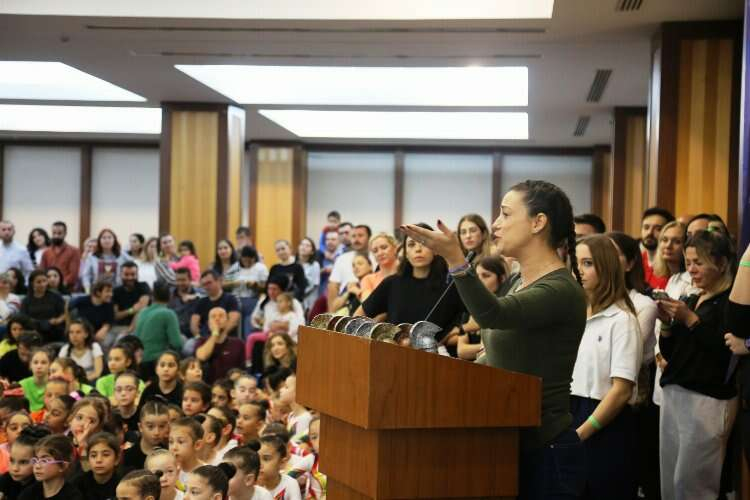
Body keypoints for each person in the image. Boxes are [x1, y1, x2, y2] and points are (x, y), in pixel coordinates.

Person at [401, 179, 587, 499]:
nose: (496, 224)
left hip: (546, 450)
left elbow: (493, 315)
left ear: (538, 223)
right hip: (508, 442)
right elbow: (496, 354)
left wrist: (456, 260)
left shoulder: (559, 289)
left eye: (505, 214)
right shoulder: (518, 281)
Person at [656, 230, 738, 499]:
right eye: (688, 262)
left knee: (692, 483)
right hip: (675, 393)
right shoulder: (691, 298)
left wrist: (690, 320)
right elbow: (672, 352)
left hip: (707, 400)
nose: (691, 269)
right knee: (670, 481)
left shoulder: (731, 303)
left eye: (699, 263)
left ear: (722, 263)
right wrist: (667, 324)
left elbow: (725, 353)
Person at [569, 235, 640, 499]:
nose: (579, 270)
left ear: (606, 267)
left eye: (587, 263)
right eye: (576, 263)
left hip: (605, 421)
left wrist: (582, 433)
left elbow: (621, 391)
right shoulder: (574, 315)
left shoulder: (622, 320)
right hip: (571, 411)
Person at [359, 223, 465, 337]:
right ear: (406, 252)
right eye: (411, 244)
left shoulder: (450, 286)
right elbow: (359, 316)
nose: (418, 249)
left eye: (424, 243)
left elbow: (463, 323)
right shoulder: (392, 283)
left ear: (434, 249)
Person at [455, 255, 508, 361]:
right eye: (477, 276)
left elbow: (500, 349)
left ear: (501, 278)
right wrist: (467, 327)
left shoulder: (504, 307)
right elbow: (461, 351)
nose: (479, 280)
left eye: (486, 275)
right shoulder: (470, 306)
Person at [135, 280, 184, 381]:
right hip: (156, 364)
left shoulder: (142, 312)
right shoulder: (168, 314)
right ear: (170, 296)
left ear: (152, 296)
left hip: (139, 363)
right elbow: (177, 343)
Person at [17, 434, 82, 500]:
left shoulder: (73, 496)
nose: (37, 466)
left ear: (63, 466)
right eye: (35, 460)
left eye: (44, 461)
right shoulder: (28, 493)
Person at [190, 270, 241, 349]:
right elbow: (193, 324)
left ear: (218, 281)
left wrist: (223, 335)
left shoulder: (231, 299)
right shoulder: (201, 302)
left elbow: (233, 321)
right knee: (188, 348)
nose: (206, 287)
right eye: (204, 285)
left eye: (209, 283)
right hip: (205, 338)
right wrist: (198, 338)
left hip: (226, 338)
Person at [225, 245, 268, 338]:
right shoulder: (236, 267)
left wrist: (255, 285)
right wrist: (234, 283)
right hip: (235, 299)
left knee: (248, 322)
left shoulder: (260, 268)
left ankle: (247, 339)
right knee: (233, 321)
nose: (247, 263)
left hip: (252, 299)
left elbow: (266, 287)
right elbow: (224, 284)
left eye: (250, 261)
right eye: (244, 260)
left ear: (254, 259)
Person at [196, 307, 246, 384]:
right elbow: (202, 357)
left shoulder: (238, 344)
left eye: (221, 316)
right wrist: (215, 333)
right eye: (213, 316)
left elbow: (243, 370)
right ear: (208, 323)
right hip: (208, 387)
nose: (217, 319)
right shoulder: (201, 341)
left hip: (232, 386)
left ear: (227, 322)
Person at [327, 225, 371, 312]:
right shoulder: (342, 258)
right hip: (344, 303)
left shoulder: (376, 257)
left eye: (360, 235)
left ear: (369, 238)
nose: (356, 239)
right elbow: (333, 286)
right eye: (353, 236)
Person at [0, 425, 51, 499]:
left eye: (23, 462)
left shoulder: (43, 489)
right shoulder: (6, 479)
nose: (15, 468)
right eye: (12, 460)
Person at [19, 269, 66, 343]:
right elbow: (23, 318)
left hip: (54, 330)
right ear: (32, 283)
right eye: (39, 282)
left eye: (44, 281)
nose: (42, 284)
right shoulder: (26, 300)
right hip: (34, 331)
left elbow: (65, 313)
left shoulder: (55, 296)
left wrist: (57, 320)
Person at [72, 432, 121, 500]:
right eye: (93, 455)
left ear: (117, 459)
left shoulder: (123, 483)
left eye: (106, 455)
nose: (99, 460)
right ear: (88, 459)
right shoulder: (78, 484)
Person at [111, 262, 152, 343]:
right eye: (126, 274)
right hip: (119, 327)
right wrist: (131, 310)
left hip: (139, 327)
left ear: (137, 275)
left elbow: (141, 309)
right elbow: (115, 316)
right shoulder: (116, 291)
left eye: (133, 274)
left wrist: (130, 329)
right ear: (120, 275)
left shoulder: (143, 286)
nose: (130, 277)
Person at [70, 280, 115, 345]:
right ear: (98, 292)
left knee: (106, 341)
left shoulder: (109, 304)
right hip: (82, 331)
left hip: (98, 333)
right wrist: (68, 325)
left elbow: (110, 320)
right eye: (108, 291)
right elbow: (67, 307)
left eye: (111, 291)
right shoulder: (81, 301)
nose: (111, 294)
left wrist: (104, 329)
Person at [257, 434, 302, 500]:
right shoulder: (252, 484)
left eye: (266, 459)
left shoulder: (290, 484)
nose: (259, 464)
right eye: (256, 458)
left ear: (282, 463)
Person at [40, 221, 81, 291]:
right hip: (48, 289)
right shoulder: (46, 252)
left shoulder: (74, 251)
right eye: (54, 233)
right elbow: (42, 271)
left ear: (65, 234)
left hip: (66, 289)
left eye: (59, 233)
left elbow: (73, 274)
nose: (56, 236)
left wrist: (60, 285)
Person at [639, 207, 675, 287]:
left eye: (658, 229)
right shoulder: (636, 262)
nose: (649, 233)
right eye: (646, 227)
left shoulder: (672, 265)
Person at [646, 220, 686, 290]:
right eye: (665, 240)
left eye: (677, 242)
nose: (668, 246)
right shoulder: (654, 273)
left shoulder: (689, 280)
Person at [359, 233, 399, 300]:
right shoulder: (368, 279)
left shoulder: (406, 272)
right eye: (375, 251)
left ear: (395, 248)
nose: (380, 253)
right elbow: (367, 304)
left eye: (384, 247)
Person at [169, 416, 206, 485]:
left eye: (180, 442)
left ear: (197, 445)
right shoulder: (167, 471)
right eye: (171, 442)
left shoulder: (207, 473)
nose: (174, 447)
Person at [169, 267, 200, 339]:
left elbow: (209, 295)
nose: (180, 283)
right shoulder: (169, 294)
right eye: (178, 280)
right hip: (173, 333)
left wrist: (197, 296)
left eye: (183, 280)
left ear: (190, 280)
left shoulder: (198, 293)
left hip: (191, 334)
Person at [296, 238, 320, 311]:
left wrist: (299, 294)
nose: (304, 247)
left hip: (308, 299)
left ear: (312, 251)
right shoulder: (293, 263)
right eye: (302, 244)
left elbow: (313, 285)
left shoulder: (315, 265)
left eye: (307, 245)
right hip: (294, 299)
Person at [316, 229, 340, 299]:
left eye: (333, 239)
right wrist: (323, 270)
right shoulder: (318, 255)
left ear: (339, 241)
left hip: (338, 295)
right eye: (327, 239)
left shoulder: (343, 255)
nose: (330, 242)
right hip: (320, 294)